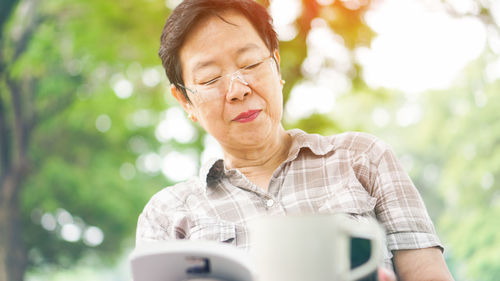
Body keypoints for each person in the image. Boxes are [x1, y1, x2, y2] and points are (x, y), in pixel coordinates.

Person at [136, 0, 454, 280]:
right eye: (210, 79)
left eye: (249, 64)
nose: (238, 90)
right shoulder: (166, 215)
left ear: (276, 64)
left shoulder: (364, 159)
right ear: (185, 101)